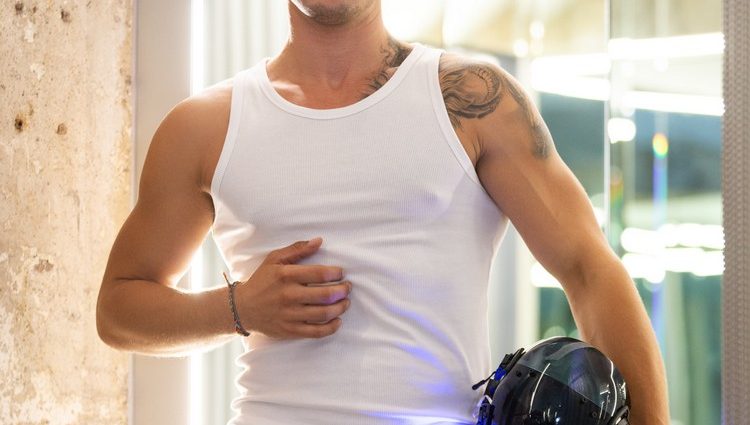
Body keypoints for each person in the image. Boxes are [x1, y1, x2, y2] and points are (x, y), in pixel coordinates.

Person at [95, 1, 669, 424]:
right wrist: (237, 308)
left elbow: (589, 271)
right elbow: (119, 307)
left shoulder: (473, 101)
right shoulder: (204, 126)